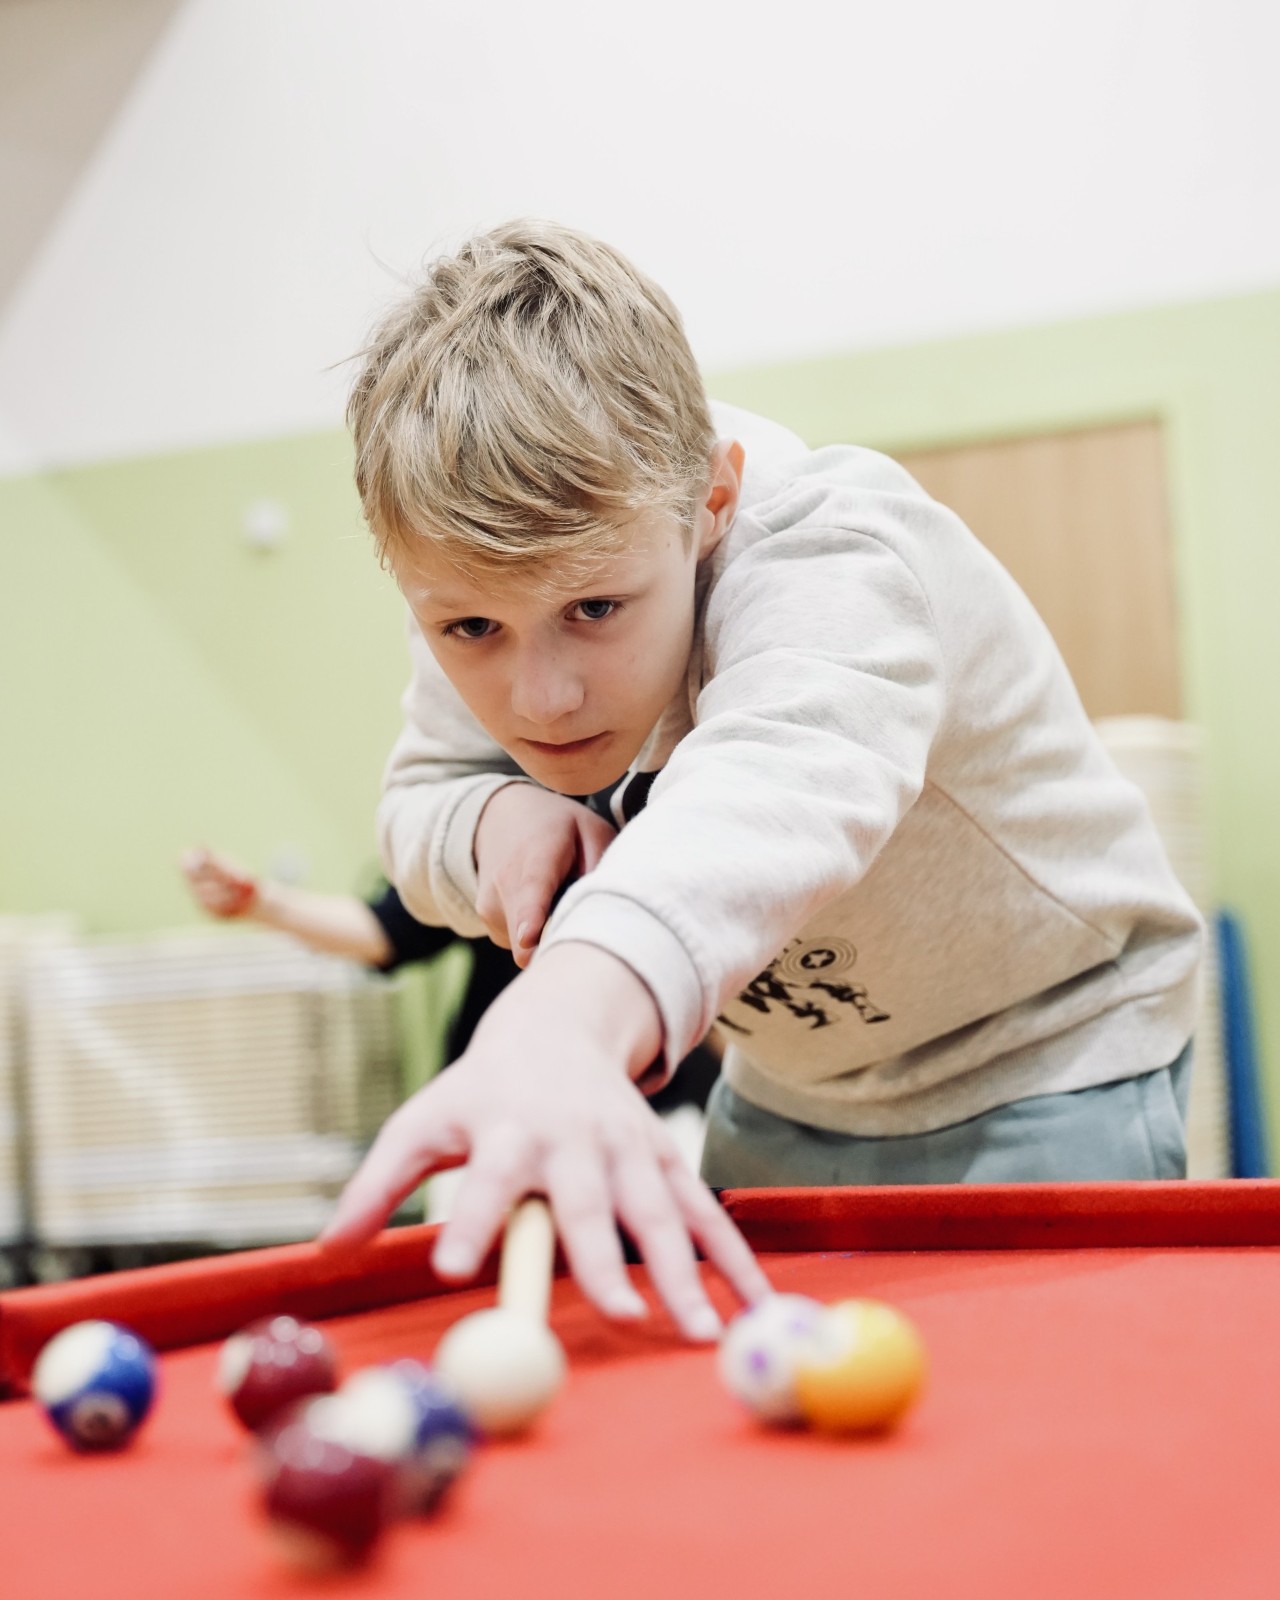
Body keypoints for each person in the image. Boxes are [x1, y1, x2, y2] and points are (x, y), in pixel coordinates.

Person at [320, 221, 1203, 1341]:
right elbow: (420, 797)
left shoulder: (836, 548)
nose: (537, 697)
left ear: (711, 504)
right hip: (792, 1086)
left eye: (596, 610)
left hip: (1043, 1056)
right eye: (467, 628)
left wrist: (557, 1022)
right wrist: (484, 820)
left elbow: (772, 783)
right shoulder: (486, 574)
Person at [179, 848, 721, 1112]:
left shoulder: (679, 798)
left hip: (655, 1106)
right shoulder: (488, 809)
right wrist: (263, 902)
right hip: (495, 1108)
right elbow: (385, 930)